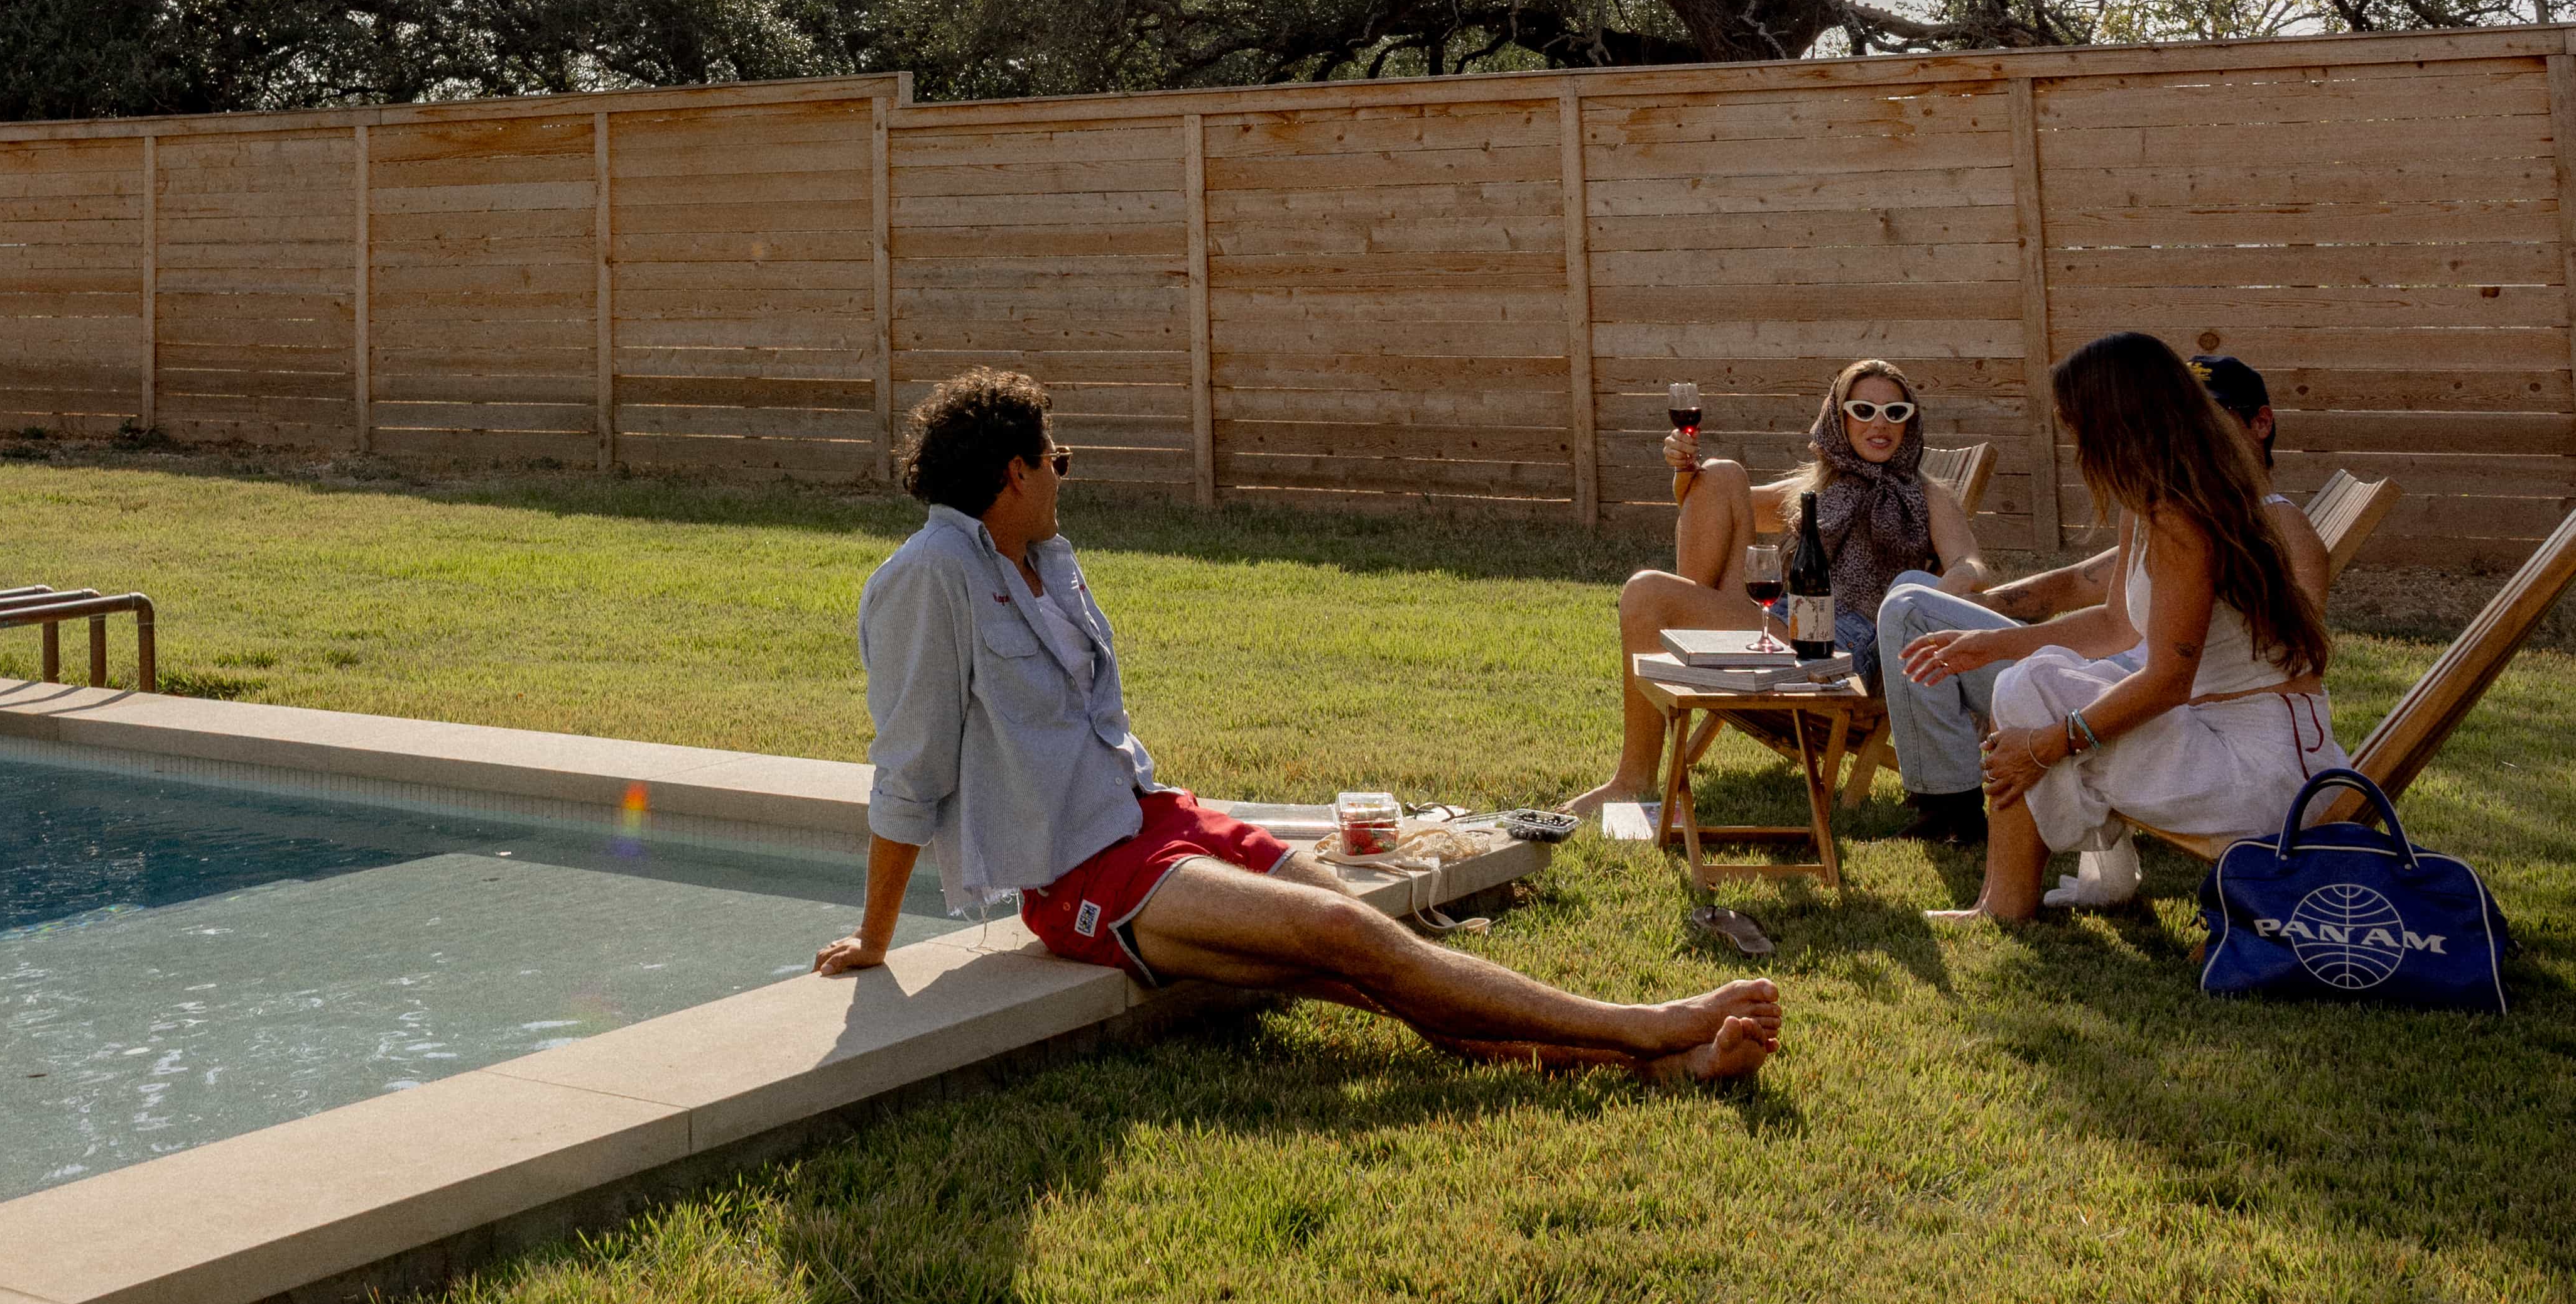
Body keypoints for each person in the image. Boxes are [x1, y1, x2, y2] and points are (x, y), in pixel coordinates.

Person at [819, 364, 1781, 1086]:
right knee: (1348, 945)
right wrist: (875, 936)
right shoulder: (927, 581)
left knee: (1362, 943)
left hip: (1152, 816)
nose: (1063, 478)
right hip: (1083, 872)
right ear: (1014, 472)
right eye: (1054, 461)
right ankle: (1652, 1028)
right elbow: (910, 767)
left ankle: (1650, 1066)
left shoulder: (1044, 559)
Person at [1892, 331, 2334, 929]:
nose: (2075, 442)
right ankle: (2005, 901)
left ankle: (2006, 905)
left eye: (2077, 425)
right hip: (2213, 729)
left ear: (2118, 421)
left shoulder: (2186, 517)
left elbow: (2167, 682)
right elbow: (2116, 624)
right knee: (2027, 680)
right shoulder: (2150, 503)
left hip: (2267, 770)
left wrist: (2046, 746)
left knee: (2035, 703)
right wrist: (1998, 642)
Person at [1592, 356, 1988, 813]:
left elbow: (1971, 563)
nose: (1880, 424)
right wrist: (1686, 472)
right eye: (1864, 411)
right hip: (1779, 623)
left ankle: (1634, 775)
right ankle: (1650, 740)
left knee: (1647, 594)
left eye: (1895, 413)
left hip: (1836, 653)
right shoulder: (1819, 485)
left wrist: (1942, 587)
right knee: (1721, 475)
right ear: (1839, 417)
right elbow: (1711, 504)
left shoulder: (1925, 495)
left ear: (1910, 422)